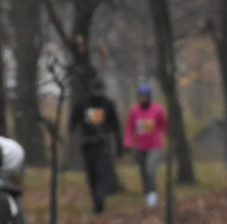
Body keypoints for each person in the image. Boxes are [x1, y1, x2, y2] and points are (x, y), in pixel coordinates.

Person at [69, 77, 123, 214]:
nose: (98, 93)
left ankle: (100, 199)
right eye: (96, 90)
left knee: (101, 171)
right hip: (87, 144)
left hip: (102, 144)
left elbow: (115, 125)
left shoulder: (107, 104)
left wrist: (119, 145)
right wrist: (72, 128)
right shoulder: (83, 103)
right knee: (91, 173)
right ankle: (95, 200)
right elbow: (74, 118)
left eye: (100, 90)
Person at [123, 83, 168, 208]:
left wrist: (171, 139)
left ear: (149, 96)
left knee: (150, 170)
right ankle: (147, 194)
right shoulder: (134, 111)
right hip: (139, 147)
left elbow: (165, 126)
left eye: (145, 96)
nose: (143, 98)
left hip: (154, 146)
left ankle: (153, 194)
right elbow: (129, 128)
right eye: (141, 96)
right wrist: (127, 142)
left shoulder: (157, 110)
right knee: (143, 173)